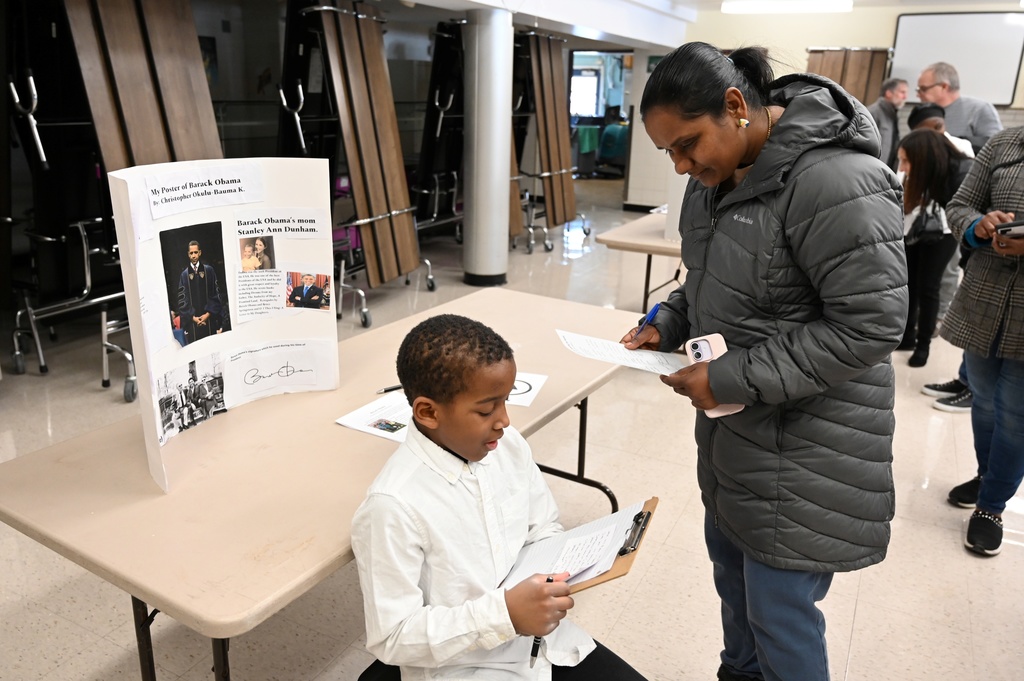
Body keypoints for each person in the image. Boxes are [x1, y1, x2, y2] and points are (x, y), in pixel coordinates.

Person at [622, 43, 907, 681]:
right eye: (667, 151)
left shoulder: (834, 179)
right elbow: (706, 286)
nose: (680, 165)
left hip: (809, 445)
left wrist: (725, 376)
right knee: (736, 591)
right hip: (736, 441)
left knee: (781, 613)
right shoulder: (710, 185)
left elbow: (870, 323)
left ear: (736, 107)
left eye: (687, 144)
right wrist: (667, 322)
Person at [351, 314, 647, 680]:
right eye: (486, 409)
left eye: (506, 401)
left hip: (546, 646)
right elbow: (392, 638)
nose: (504, 420)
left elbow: (543, 527)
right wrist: (504, 614)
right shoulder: (392, 506)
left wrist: (558, 571)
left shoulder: (507, 447)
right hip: (466, 667)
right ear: (428, 412)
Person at [940, 126, 1024, 556]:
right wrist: (978, 224)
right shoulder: (1004, 143)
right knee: (985, 399)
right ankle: (988, 474)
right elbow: (959, 205)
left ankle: (991, 506)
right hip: (984, 296)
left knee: (1014, 413)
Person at [894, 129, 971, 368]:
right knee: (909, 284)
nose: (903, 167)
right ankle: (906, 337)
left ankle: (923, 345)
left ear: (923, 157)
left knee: (928, 287)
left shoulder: (961, 171)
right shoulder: (920, 170)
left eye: (906, 161)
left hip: (943, 233)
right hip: (914, 230)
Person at [916, 62, 1003, 155]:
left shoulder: (979, 109)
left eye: (923, 89)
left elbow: (998, 146)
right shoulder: (923, 114)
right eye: (918, 90)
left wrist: (953, 142)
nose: (918, 94)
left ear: (944, 87)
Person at [177, 240, 222, 345]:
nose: (194, 255)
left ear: (200, 253)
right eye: (191, 253)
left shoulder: (209, 271)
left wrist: (208, 314)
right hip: (193, 324)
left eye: (196, 252)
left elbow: (216, 294)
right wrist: (193, 318)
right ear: (188, 254)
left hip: (209, 320)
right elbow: (182, 300)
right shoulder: (184, 275)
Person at [866, 77, 908, 170]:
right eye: (902, 92)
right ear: (889, 93)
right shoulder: (873, 113)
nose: (905, 97)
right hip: (871, 171)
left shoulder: (892, 115)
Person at [906, 103, 974, 158]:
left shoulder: (961, 146)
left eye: (938, 127)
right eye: (928, 132)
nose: (935, 134)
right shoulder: (911, 151)